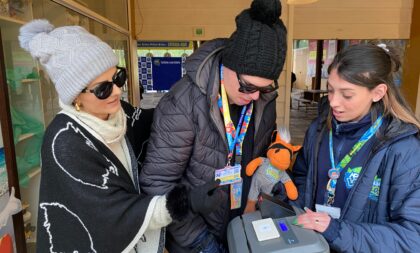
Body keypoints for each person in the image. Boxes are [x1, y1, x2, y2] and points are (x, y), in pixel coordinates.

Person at [18, 19, 222, 253]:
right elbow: (114, 216)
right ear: (75, 96)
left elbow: (160, 119)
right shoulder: (65, 141)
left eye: (118, 77)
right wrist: (186, 203)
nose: (117, 90)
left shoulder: (119, 112)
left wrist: (196, 106)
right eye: (102, 88)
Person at [139, 0, 287, 251]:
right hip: (196, 236)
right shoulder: (182, 103)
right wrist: (200, 242)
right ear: (228, 64)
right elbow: (156, 183)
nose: (255, 96)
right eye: (248, 86)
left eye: (266, 88)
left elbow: (260, 158)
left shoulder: (263, 99)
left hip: (243, 224)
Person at [290, 43, 420, 252]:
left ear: (378, 92)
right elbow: (302, 178)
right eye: (330, 90)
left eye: (347, 95)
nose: (333, 102)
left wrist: (336, 231)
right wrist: (285, 198)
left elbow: (413, 238)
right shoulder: (319, 129)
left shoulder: (405, 149)